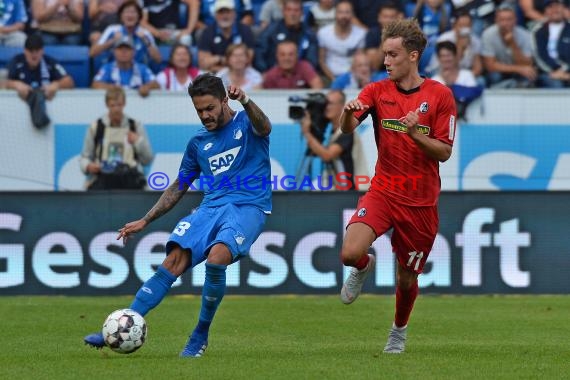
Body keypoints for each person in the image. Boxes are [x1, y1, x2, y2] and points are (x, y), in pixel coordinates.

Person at [84, 73, 273, 358]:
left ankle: (200, 335)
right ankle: (121, 326)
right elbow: (178, 186)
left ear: (224, 100)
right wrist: (146, 220)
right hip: (211, 208)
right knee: (173, 260)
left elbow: (266, 126)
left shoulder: (247, 122)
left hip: (249, 207)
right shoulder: (198, 142)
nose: (205, 115)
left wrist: (245, 100)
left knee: (218, 256)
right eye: (199, 110)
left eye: (210, 108)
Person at [338, 18, 457, 354]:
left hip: (419, 203)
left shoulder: (440, 95)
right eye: (384, 55)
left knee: (406, 279)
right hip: (384, 191)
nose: (386, 61)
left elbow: (445, 152)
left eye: (392, 55)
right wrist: (348, 114)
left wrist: (417, 134)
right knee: (349, 252)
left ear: (413, 56)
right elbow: (347, 128)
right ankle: (364, 267)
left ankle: (398, 332)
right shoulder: (376, 91)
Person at [80, 87, 154, 190]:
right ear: (107, 105)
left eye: (119, 105)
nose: (116, 109)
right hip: (102, 179)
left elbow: (148, 159)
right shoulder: (96, 127)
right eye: (112, 105)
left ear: (124, 104)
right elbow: (85, 157)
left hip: (130, 180)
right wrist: (88, 166)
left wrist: (138, 141)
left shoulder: (135, 126)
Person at [300, 90, 367, 191]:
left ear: (341, 106)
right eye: (325, 104)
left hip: (355, 192)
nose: (326, 107)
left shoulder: (347, 132)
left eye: (330, 104)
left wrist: (307, 133)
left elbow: (327, 155)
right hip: (343, 191)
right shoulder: (333, 132)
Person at [6, 34, 74, 128]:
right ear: (25, 51)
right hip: (15, 120)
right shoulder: (16, 62)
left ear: (42, 51)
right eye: (31, 51)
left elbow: (69, 81)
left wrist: (56, 85)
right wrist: (14, 84)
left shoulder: (49, 62)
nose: (34, 55)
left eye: (37, 51)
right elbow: (3, 82)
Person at [481, 2, 537, 88]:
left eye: (509, 19)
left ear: (515, 20)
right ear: (496, 20)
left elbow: (527, 63)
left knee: (530, 74)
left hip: (518, 72)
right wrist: (518, 69)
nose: (505, 23)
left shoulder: (525, 35)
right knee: (494, 76)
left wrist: (513, 44)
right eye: (502, 20)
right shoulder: (488, 34)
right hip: (500, 72)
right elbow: (490, 66)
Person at [254, 0, 319, 73]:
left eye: (296, 10)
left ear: (302, 13)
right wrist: (265, 71)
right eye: (289, 10)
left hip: (300, 76)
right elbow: (259, 53)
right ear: (283, 12)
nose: (292, 14)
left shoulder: (309, 34)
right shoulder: (271, 30)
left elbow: (312, 60)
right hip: (273, 75)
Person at [90, 1, 162, 67]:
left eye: (133, 12)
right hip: (114, 71)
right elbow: (92, 53)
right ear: (121, 16)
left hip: (138, 72)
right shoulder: (112, 30)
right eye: (126, 12)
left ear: (139, 17)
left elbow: (158, 60)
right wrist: (112, 41)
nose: (130, 15)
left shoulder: (145, 33)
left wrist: (146, 41)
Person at [196, 0, 255, 73]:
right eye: (221, 12)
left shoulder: (245, 30)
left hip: (241, 73)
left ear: (234, 14)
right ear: (215, 15)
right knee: (203, 73)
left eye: (228, 12)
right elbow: (203, 63)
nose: (225, 16)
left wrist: (216, 60)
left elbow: (248, 60)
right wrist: (221, 59)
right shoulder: (207, 32)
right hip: (216, 75)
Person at [92, 35, 159, 97]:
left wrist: (147, 87)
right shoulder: (107, 68)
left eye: (127, 48)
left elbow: (156, 84)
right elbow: (95, 84)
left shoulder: (142, 68)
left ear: (134, 52)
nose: (124, 51)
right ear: (114, 52)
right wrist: (111, 88)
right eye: (120, 48)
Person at [317, 0, 366, 84]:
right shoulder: (323, 33)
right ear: (335, 14)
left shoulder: (361, 34)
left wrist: (347, 79)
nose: (344, 16)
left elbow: (359, 60)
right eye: (340, 12)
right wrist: (334, 79)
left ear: (352, 15)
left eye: (347, 12)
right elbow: (322, 61)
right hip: (329, 76)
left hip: (353, 76)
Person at [530, 0, 570, 88]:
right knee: (556, 85)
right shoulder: (538, 30)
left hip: (567, 72)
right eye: (550, 6)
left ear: (564, 8)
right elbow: (538, 56)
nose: (555, 10)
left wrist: (565, 72)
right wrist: (554, 71)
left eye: (558, 6)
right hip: (547, 72)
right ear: (545, 11)